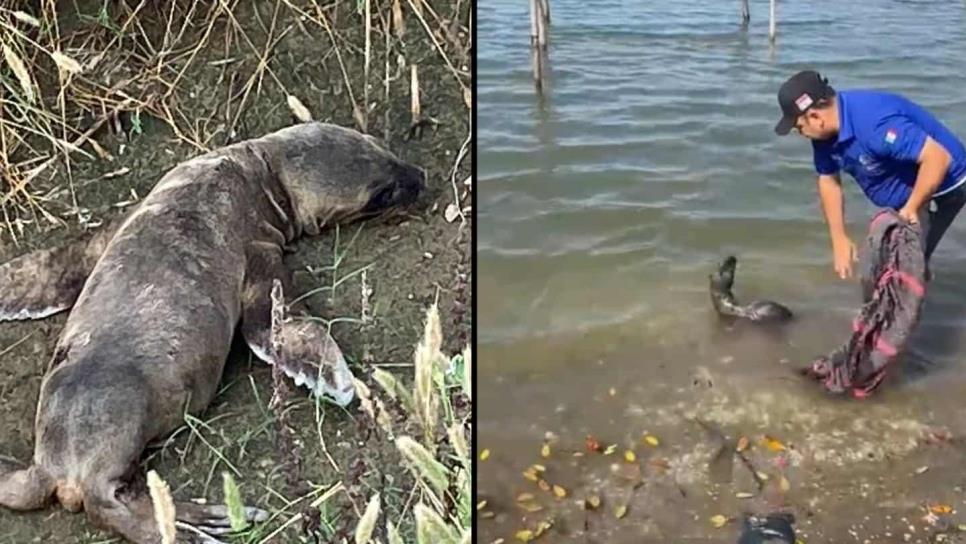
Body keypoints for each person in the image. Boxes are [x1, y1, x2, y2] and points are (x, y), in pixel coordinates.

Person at [774, 70, 966, 281]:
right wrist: (839, 239)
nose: (800, 133)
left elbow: (938, 158)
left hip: (948, 183)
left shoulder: (876, 124)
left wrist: (912, 207)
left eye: (799, 128)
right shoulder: (823, 135)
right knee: (890, 261)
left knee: (909, 263)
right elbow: (828, 180)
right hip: (905, 178)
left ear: (815, 117)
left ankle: (918, 288)